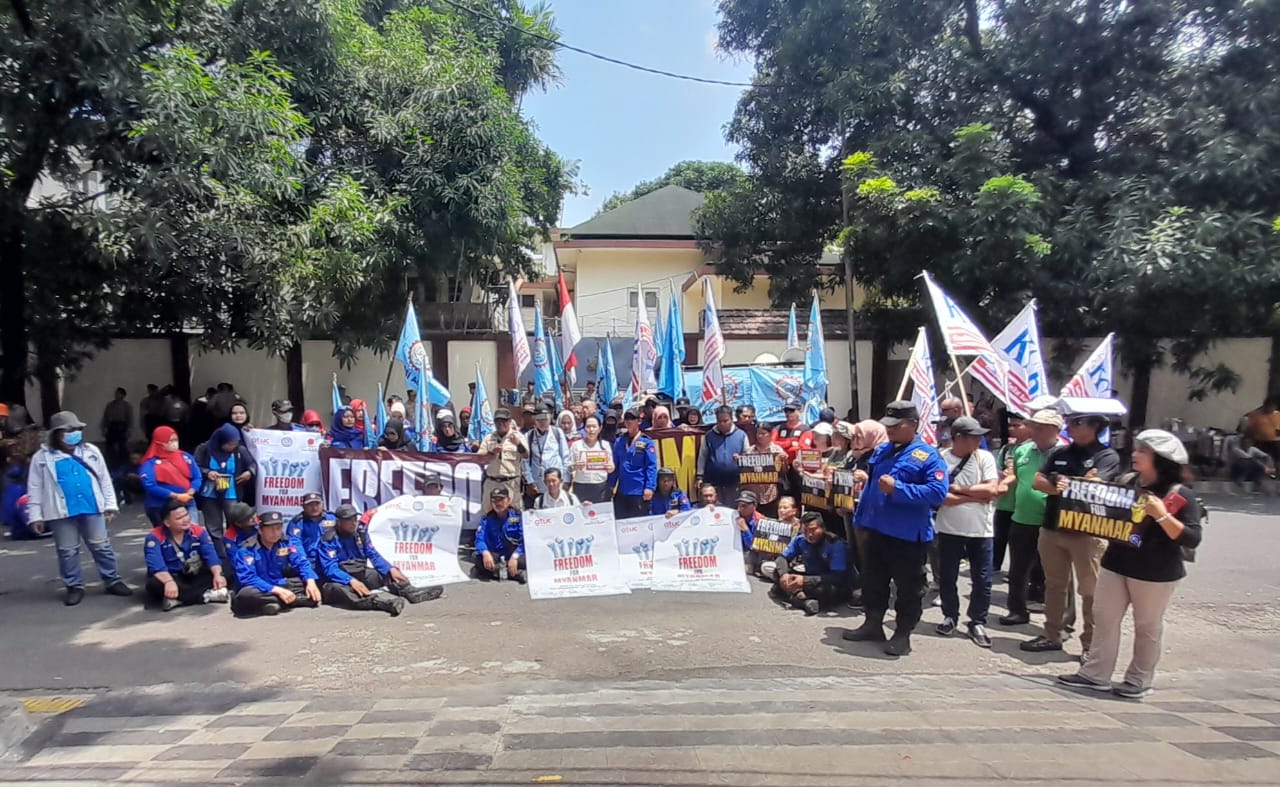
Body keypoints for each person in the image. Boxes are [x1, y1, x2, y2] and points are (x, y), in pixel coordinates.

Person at [1058, 430, 1203, 699]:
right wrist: (1083, 490)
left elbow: (1192, 538)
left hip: (1155, 572)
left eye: (1143, 451)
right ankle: (1095, 674)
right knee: (1104, 619)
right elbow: (1103, 512)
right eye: (1136, 449)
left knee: (1147, 626)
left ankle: (1139, 680)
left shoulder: (1180, 493)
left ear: (1161, 459)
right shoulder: (1126, 481)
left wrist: (1161, 515)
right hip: (1116, 563)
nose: (1135, 455)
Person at [842, 401, 948, 657]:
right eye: (887, 425)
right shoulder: (882, 450)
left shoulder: (928, 456)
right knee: (873, 581)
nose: (889, 430)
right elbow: (871, 488)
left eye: (895, 425)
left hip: (907, 535)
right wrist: (861, 519)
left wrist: (899, 489)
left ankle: (902, 634)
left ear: (913, 424)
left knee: (909, 588)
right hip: (876, 529)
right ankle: (872, 624)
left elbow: (938, 493)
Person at [1024, 413, 1122, 654]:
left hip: (1086, 531)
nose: (1070, 426)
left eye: (1077, 422)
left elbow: (1095, 486)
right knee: (1054, 586)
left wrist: (1068, 482)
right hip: (1053, 527)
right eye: (1070, 422)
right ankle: (1052, 634)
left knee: (1090, 591)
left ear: (1095, 426)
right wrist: (1064, 485)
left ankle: (1090, 645)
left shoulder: (1106, 456)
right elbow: (1037, 481)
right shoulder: (1060, 452)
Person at [25, 411, 133, 605]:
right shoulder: (41, 458)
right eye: (68, 430)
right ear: (56, 434)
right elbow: (34, 488)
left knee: (101, 546)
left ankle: (112, 579)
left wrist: (110, 505)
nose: (74, 433)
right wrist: (36, 516)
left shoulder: (91, 451)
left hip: (92, 507)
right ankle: (74, 586)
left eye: (76, 429)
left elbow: (104, 479)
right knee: (67, 551)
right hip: (60, 512)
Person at [934, 417, 999, 648]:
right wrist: (974, 496)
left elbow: (992, 489)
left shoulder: (985, 457)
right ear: (958, 437)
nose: (978, 440)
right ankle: (950, 615)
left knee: (982, 578)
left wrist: (960, 490)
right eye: (973, 436)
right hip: (949, 528)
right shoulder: (940, 458)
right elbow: (941, 495)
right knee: (947, 575)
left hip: (981, 529)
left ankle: (977, 621)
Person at [999, 409, 1065, 628]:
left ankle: (1057, 618)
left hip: (1053, 522)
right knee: (1018, 569)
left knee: (1055, 574)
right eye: (1033, 426)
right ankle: (1016, 610)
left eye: (1040, 427)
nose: (1034, 431)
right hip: (1022, 517)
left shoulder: (1065, 453)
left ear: (1055, 430)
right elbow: (1017, 477)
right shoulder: (1022, 450)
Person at [319, 503, 443, 615]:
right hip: (340, 579)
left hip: (360, 572)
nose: (353, 523)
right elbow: (330, 568)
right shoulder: (328, 539)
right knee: (340, 590)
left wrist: (390, 568)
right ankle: (382, 604)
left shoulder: (360, 534)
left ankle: (411, 592)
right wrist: (350, 580)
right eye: (348, 520)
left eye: (355, 519)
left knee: (387, 574)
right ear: (339, 522)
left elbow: (373, 554)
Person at [230, 511, 322, 616]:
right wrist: (277, 591)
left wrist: (310, 581)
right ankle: (290, 601)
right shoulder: (247, 549)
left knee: (312, 584)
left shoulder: (286, 543)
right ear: (260, 530)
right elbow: (248, 578)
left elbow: (301, 562)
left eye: (278, 528)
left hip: (279, 583)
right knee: (246, 594)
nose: (275, 533)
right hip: (260, 587)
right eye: (270, 529)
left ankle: (272, 604)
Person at [144, 499, 229, 610]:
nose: (185, 520)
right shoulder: (154, 537)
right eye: (179, 518)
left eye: (186, 515)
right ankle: (206, 595)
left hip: (194, 573)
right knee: (154, 584)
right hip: (172, 576)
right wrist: (168, 581)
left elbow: (211, 556)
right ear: (167, 523)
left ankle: (179, 599)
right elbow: (156, 566)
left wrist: (218, 575)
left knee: (227, 566)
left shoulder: (198, 531)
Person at [194, 423, 256, 558]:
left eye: (235, 443)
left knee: (236, 521)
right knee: (214, 526)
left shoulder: (240, 451)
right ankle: (219, 555)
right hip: (210, 492)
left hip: (231, 491)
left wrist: (249, 472)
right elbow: (194, 466)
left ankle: (237, 552)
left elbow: (252, 463)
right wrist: (207, 472)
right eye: (229, 444)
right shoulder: (205, 449)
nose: (232, 446)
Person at [773, 512, 852, 615]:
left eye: (813, 530)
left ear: (823, 528)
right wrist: (784, 574)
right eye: (805, 531)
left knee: (824, 591)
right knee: (777, 572)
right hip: (809, 576)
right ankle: (804, 600)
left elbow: (838, 577)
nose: (809, 535)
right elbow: (782, 557)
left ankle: (796, 597)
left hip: (828, 582)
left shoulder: (835, 544)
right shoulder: (800, 539)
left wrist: (805, 581)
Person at [138, 425, 200, 526]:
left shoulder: (186, 457)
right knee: (166, 534)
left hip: (187, 503)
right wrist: (175, 496)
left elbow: (197, 477)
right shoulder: (150, 462)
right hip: (160, 506)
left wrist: (192, 491)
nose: (174, 443)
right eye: (171, 440)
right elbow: (150, 485)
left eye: (176, 439)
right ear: (160, 442)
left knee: (192, 531)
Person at [993, 412, 1029, 574]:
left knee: (1018, 542)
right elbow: (999, 468)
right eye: (1010, 425)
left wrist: (1010, 477)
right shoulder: (1007, 448)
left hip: (1021, 503)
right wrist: (1001, 475)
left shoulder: (1032, 449)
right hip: (1004, 501)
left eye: (1016, 425)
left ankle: (1016, 571)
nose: (1011, 428)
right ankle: (994, 565)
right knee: (999, 535)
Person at [696, 406, 748, 505]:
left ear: (732, 419)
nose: (722, 424)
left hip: (735, 483)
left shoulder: (741, 435)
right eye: (719, 421)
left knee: (732, 511)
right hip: (714, 483)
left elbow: (748, 456)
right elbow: (702, 456)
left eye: (725, 421)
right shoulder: (709, 436)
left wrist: (741, 459)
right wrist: (699, 476)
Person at [611, 410, 658, 519]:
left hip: (639, 490)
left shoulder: (647, 442)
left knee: (638, 522)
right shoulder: (619, 441)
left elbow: (651, 466)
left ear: (639, 421)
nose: (629, 421)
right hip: (622, 491)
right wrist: (611, 485)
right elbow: (615, 466)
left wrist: (649, 487)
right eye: (627, 419)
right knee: (621, 521)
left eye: (632, 419)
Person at [477, 409, 529, 507]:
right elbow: (480, 458)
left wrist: (518, 444)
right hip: (492, 482)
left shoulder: (518, 436)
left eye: (504, 421)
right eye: (498, 421)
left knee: (514, 512)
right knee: (488, 512)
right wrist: (492, 452)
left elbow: (526, 455)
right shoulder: (489, 438)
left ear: (509, 421)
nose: (500, 424)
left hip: (511, 483)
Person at [474, 487, 526, 582]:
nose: (498, 503)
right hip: (496, 555)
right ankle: (513, 574)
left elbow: (525, 540)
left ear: (509, 501)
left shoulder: (518, 517)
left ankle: (496, 572)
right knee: (478, 557)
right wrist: (485, 552)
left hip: (514, 554)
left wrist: (515, 556)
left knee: (528, 560)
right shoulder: (486, 519)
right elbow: (479, 539)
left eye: (501, 500)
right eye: (494, 500)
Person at [740, 423, 787, 518]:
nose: (760, 436)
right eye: (758, 433)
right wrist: (739, 460)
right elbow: (744, 470)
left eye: (763, 433)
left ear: (770, 434)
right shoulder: (750, 451)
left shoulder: (777, 450)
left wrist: (784, 461)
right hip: (754, 494)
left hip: (770, 494)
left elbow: (784, 471)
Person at [525, 407, 571, 500]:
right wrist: (529, 481)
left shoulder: (557, 432)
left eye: (545, 420)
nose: (542, 423)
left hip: (556, 481)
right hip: (537, 481)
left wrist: (566, 480)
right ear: (535, 420)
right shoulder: (529, 435)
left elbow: (565, 457)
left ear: (550, 419)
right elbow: (525, 461)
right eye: (539, 420)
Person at [569, 415, 614, 503]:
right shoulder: (576, 445)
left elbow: (611, 468)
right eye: (588, 426)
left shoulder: (605, 445)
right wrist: (575, 466)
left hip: (600, 487)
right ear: (584, 428)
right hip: (581, 486)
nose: (591, 429)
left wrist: (611, 467)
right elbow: (568, 467)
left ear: (600, 428)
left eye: (594, 426)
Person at [287, 491, 333, 568]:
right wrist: (303, 562)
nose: (314, 508)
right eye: (310, 505)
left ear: (322, 504)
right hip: (308, 562)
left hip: (330, 560)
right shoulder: (297, 523)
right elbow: (295, 544)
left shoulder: (332, 518)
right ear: (303, 506)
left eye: (317, 504)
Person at [101, 388, 132, 466]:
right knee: (109, 445)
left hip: (122, 426)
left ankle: (123, 462)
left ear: (123, 395)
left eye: (119, 393)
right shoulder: (110, 405)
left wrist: (129, 429)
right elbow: (105, 417)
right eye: (116, 393)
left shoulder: (126, 405)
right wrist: (104, 427)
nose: (117, 395)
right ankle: (111, 462)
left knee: (122, 445)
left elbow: (129, 418)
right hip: (112, 425)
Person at [1244, 398, 1280, 462]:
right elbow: (1249, 428)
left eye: (1273, 407)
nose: (1271, 409)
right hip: (1258, 440)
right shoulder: (1255, 414)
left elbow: (1278, 430)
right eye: (1270, 406)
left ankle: (1277, 465)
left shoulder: (1277, 415)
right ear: (1265, 405)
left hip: (1273, 441)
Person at [735, 490, 762, 571]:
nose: (740, 509)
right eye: (739, 505)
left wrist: (745, 529)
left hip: (751, 553)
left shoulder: (760, 521)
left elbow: (755, 547)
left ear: (754, 506)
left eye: (744, 506)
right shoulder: (734, 516)